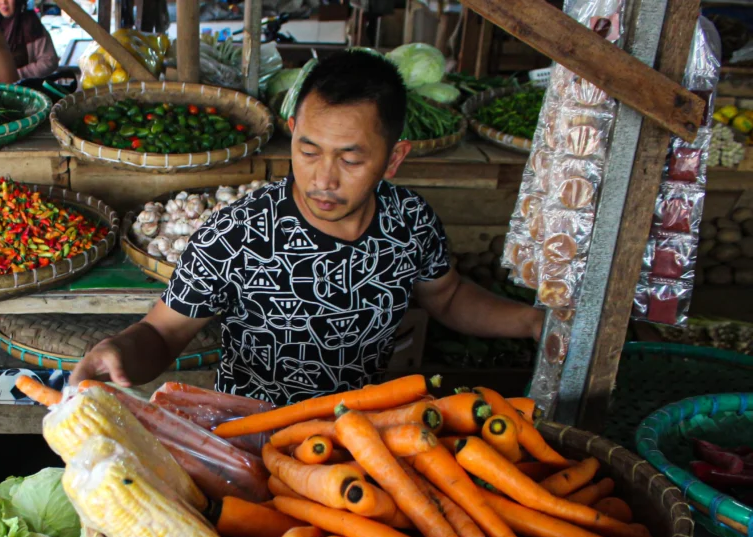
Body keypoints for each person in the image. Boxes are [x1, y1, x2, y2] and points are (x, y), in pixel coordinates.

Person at [70, 51, 545, 404]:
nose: (323, 179)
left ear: (394, 158)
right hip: (252, 433)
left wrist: (530, 322)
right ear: (293, 131)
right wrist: (121, 350)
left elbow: (449, 297)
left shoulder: (410, 222)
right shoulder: (238, 233)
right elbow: (165, 332)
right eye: (309, 150)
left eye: (351, 158)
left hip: (361, 431)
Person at [0, 0, 58, 80]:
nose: (3, 2)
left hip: (26, 89)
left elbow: (49, 62)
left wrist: (16, 75)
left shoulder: (31, 25)